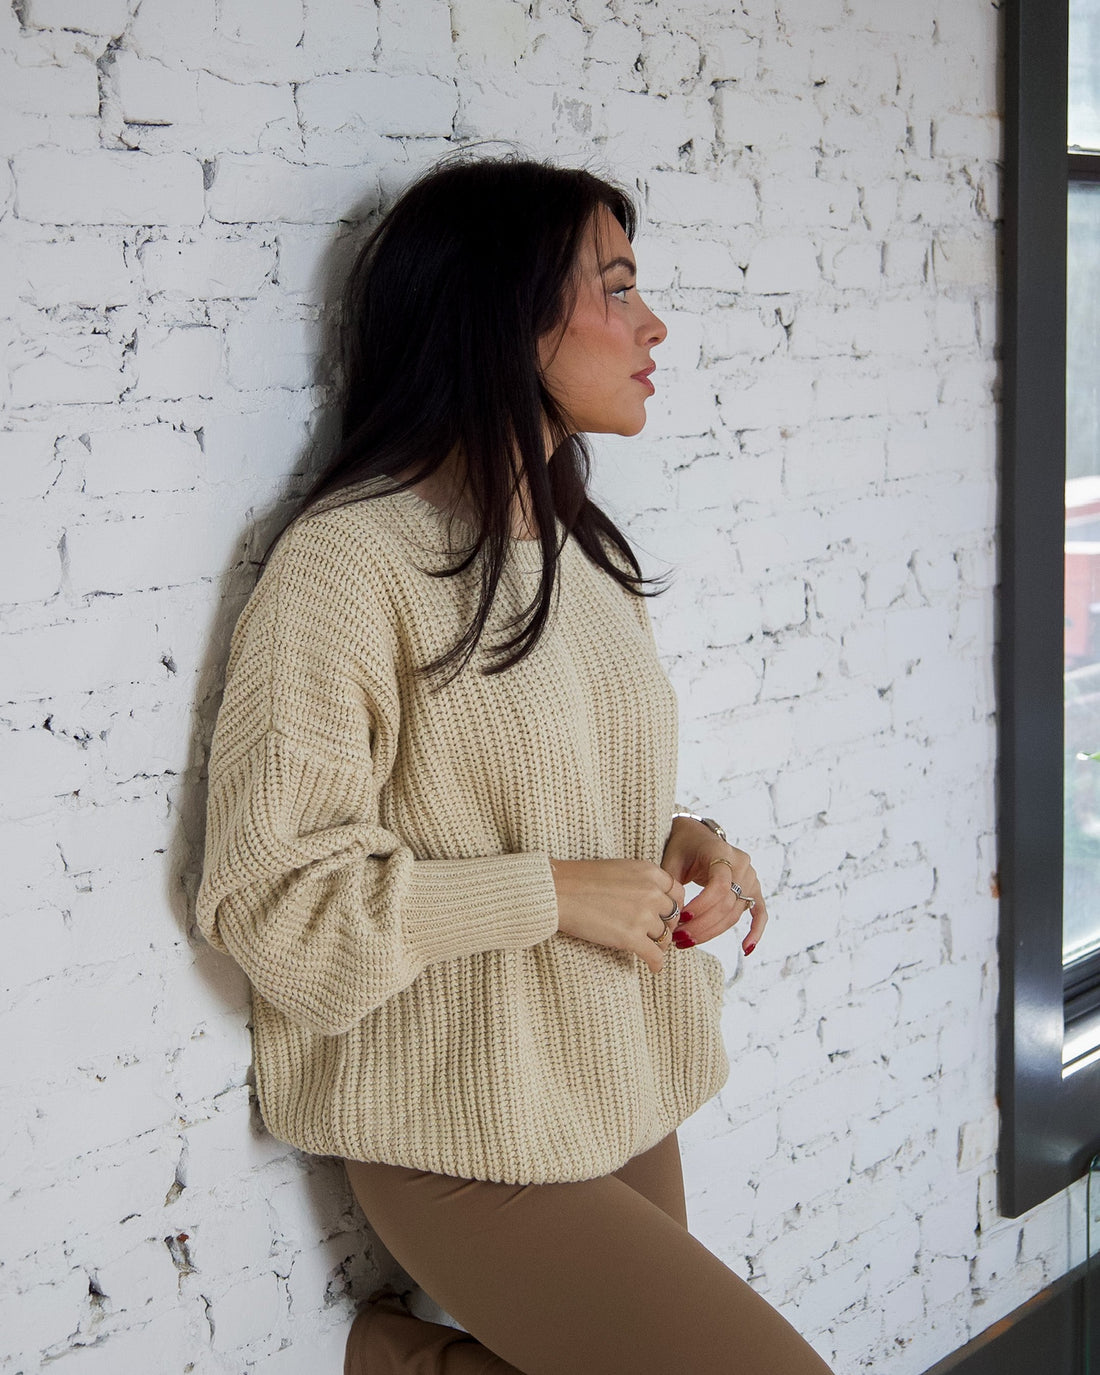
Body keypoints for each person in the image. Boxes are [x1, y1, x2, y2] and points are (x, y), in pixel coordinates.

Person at [195, 154, 832, 1375]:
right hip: (453, 1123)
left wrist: (680, 844)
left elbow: (539, 785)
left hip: (606, 1072)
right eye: (617, 288)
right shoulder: (348, 564)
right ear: (502, 316)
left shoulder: (578, 551)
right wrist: (552, 893)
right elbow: (273, 903)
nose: (653, 324)